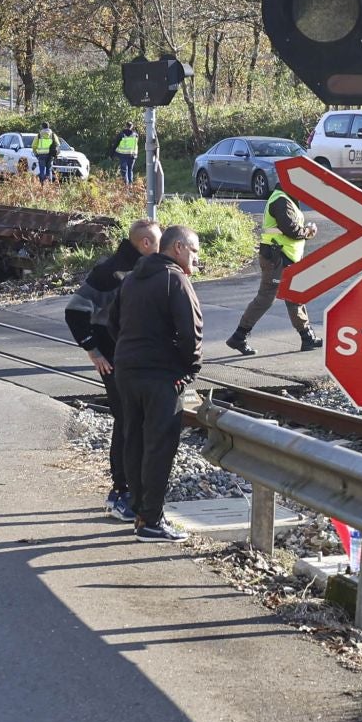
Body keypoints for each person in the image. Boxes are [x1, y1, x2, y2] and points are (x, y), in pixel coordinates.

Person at [108, 224, 202, 542]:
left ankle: (137, 510)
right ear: (177, 248)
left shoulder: (132, 278)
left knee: (133, 440)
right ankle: (151, 521)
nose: (197, 258)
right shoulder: (175, 279)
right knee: (160, 446)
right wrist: (189, 369)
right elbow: (191, 331)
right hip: (161, 375)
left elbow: (113, 323)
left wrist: (130, 350)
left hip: (127, 371)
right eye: (194, 250)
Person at [64, 218, 162, 521]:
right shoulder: (110, 273)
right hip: (115, 360)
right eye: (158, 242)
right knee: (126, 423)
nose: (161, 248)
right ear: (145, 243)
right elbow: (74, 311)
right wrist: (94, 351)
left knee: (131, 422)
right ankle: (121, 491)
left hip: (128, 359)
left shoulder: (141, 269)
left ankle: (127, 489)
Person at [226, 185, 321, 356]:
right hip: (277, 258)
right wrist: (308, 231)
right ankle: (239, 336)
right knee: (266, 298)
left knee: (294, 295)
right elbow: (291, 230)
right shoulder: (281, 200)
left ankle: (307, 336)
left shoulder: (285, 199)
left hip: (282, 257)